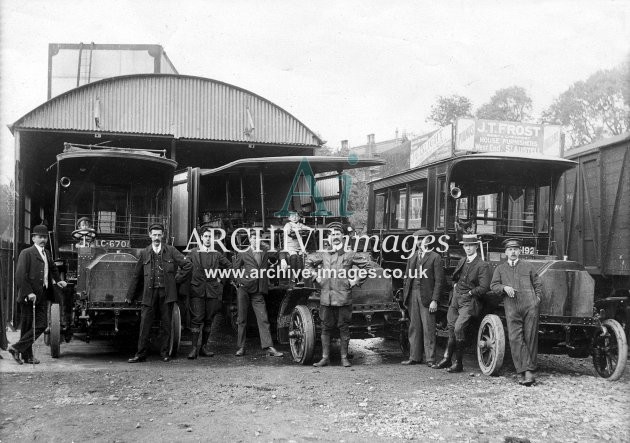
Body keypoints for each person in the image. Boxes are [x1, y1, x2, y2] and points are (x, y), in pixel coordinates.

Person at [304, 222, 372, 367]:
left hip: (343, 297)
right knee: (325, 328)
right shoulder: (323, 254)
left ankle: (344, 358)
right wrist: (317, 277)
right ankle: (325, 358)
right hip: (326, 298)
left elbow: (367, 266)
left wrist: (355, 281)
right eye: (332, 234)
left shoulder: (349, 254)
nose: (335, 237)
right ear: (329, 237)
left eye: (337, 234)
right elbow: (308, 262)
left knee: (344, 327)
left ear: (343, 236)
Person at [125, 223, 192, 363]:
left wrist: (176, 280)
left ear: (163, 235)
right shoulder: (144, 253)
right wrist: (130, 295)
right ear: (149, 235)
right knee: (144, 325)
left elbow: (188, 265)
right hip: (149, 294)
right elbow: (137, 276)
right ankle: (140, 354)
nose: (156, 237)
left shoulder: (171, 250)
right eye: (154, 235)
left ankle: (165, 353)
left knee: (167, 325)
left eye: (159, 235)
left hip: (167, 294)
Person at [8, 224, 67, 364]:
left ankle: (17, 348)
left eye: (45, 237)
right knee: (28, 326)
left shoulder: (46, 253)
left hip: (43, 294)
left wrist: (59, 281)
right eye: (40, 237)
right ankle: (26, 356)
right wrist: (28, 293)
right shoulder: (26, 253)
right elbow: (20, 275)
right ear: (33, 238)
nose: (43, 239)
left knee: (41, 325)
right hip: (29, 297)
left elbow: (52, 268)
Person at [435, 233, 490, 373]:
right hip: (456, 299)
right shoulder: (462, 261)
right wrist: (454, 287)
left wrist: (470, 293)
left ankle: (459, 363)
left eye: (471, 245)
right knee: (451, 326)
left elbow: (484, 287)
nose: (468, 248)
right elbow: (455, 276)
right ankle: (447, 358)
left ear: (476, 246)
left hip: (469, 301)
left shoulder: (482, 265)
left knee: (459, 328)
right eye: (466, 245)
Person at [491, 238, 543, 386]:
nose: (513, 252)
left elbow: (538, 284)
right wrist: (504, 288)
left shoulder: (528, 266)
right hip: (512, 306)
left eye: (515, 249)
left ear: (519, 251)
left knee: (530, 338)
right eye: (510, 249)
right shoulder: (500, 269)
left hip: (529, 305)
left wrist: (536, 300)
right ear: (506, 252)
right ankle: (523, 370)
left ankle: (529, 373)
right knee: (515, 338)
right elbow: (493, 285)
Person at [179, 225, 232, 359]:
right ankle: (193, 349)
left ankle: (204, 348)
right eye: (206, 236)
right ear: (201, 238)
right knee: (197, 319)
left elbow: (230, 266)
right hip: (197, 290)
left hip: (212, 291)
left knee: (209, 320)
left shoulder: (217, 254)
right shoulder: (193, 252)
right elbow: (183, 266)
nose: (208, 239)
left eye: (210, 237)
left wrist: (221, 280)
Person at [232, 230, 284, 357]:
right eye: (253, 238)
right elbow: (234, 269)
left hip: (258, 290)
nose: (255, 240)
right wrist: (239, 282)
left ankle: (269, 347)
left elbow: (280, 252)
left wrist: (283, 260)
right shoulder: (243, 253)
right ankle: (241, 347)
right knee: (242, 318)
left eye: (257, 238)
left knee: (263, 318)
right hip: (244, 288)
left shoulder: (265, 252)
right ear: (249, 240)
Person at [401, 229, 444, 367]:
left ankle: (430, 359)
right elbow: (407, 278)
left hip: (427, 297)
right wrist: (405, 297)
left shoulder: (435, 257)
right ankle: (414, 357)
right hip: (413, 295)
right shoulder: (412, 256)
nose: (420, 242)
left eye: (423, 239)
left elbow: (439, 281)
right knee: (414, 327)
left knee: (428, 328)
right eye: (418, 240)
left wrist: (434, 300)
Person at [281, 212, 313, 284]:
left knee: (301, 258)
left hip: (299, 247)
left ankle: (299, 276)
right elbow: (289, 232)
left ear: (299, 218)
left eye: (296, 216)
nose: (294, 218)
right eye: (292, 216)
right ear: (289, 218)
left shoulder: (300, 225)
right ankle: (293, 276)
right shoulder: (288, 225)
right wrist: (295, 232)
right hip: (290, 247)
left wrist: (310, 229)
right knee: (294, 257)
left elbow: (306, 228)